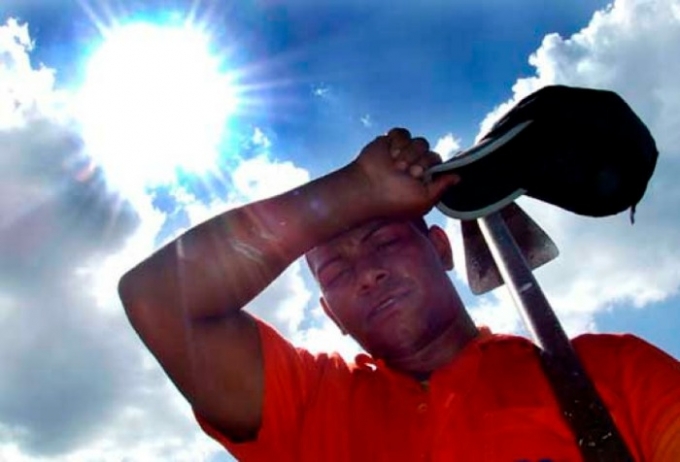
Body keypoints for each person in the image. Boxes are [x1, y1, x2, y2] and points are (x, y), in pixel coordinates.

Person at [118, 128, 680, 461]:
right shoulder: (309, 407)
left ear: (440, 248)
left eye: (384, 241)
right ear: (330, 314)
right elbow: (156, 298)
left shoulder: (610, 370)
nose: (366, 274)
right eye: (335, 270)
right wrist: (357, 189)